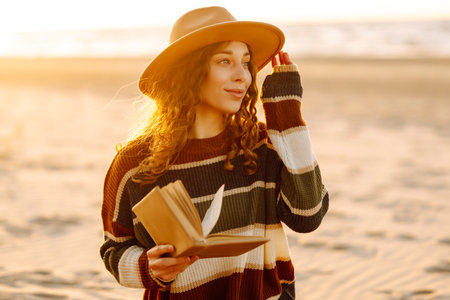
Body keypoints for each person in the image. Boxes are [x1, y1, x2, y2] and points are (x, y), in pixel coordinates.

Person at [100, 6, 329, 300]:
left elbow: (307, 216)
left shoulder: (263, 145)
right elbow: (114, 250)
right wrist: (149, 267)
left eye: (246, 62)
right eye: (224, 61)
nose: (243, 76)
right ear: (188, 72)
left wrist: (287, 120)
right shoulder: (134, 164)